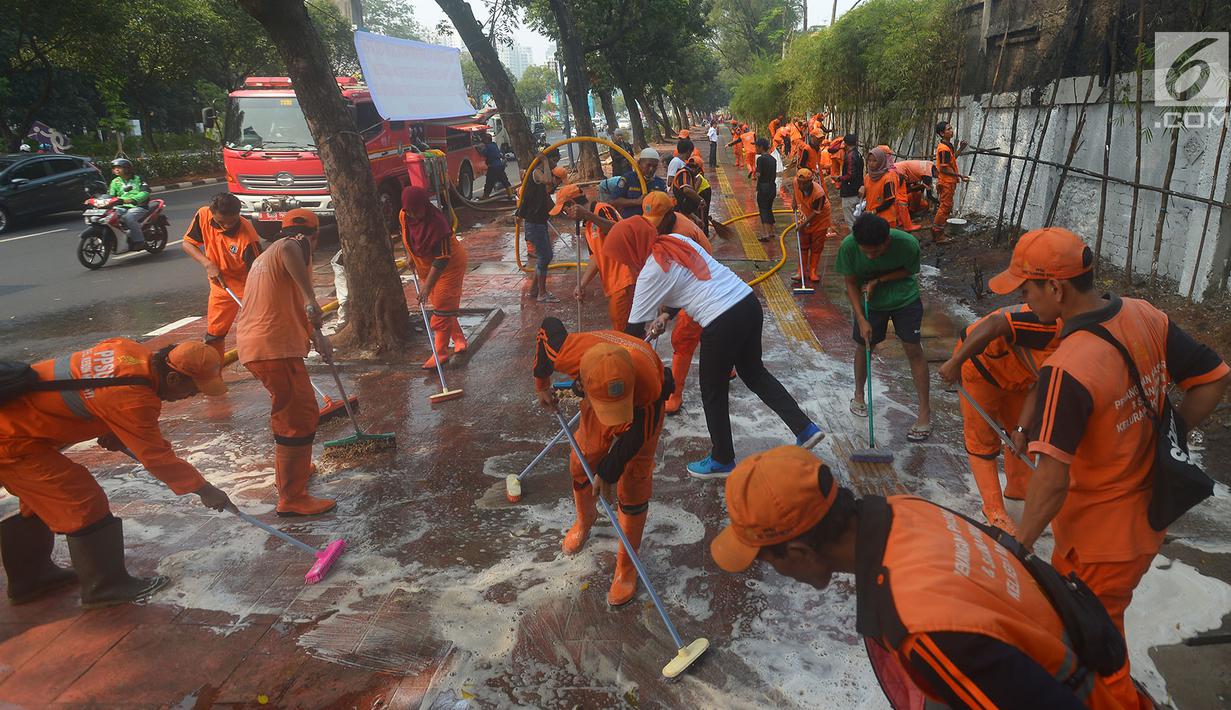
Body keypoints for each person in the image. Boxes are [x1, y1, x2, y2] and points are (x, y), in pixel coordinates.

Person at [989, 227, 1230, 709]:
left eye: (1027, 287)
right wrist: (1170, 432)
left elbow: (1052, 480)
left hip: (1098, 545)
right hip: (1144, 521)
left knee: (1094, 655)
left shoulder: (1067, 368)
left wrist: (1019, 544)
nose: (1022, 297)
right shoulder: (1144, 316)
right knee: (1090, 632)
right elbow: (1213, 377)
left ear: (1055, 288)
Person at [710, 445, 1131, 710]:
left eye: (766, 560)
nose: (771, 571)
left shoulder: (921, 625)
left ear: (799, 552)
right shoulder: (908, 509)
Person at [0, 339, 233, 607]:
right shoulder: (134, 399)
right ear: (172, 378)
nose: (190, 397)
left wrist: (110, 425)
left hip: (19, 426)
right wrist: (205, 490)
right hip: (10, 439)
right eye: (192, 391)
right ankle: (106, 587)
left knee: (39, 501)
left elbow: (91, 390)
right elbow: (156, 457)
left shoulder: (128, 351)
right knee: (82, 501)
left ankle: (31, 580)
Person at [603, 207, 824, 479]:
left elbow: (633, 333)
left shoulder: (651, 271)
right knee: (754, 373)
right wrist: (664, 315)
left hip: (721, 320)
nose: (625, 262)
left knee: (712, 389)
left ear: (630, 247)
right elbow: (690, 280)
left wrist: (607, 367)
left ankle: (722, 458)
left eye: (623, 257)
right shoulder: (675, 241)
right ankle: (805, 428)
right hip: (746, 304)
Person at [532, 320, 671, 606]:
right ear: (580, 381)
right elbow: (546, 328)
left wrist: (609, 471)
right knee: (581, 462)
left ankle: (626, 568)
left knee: (634, 483)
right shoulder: (570, 353)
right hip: (596, 405)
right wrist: (541, 384)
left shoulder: (648, 383)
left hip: (643, 414)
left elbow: (637, 435)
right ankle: (585, 520)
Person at [236, 209, 336, 517]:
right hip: (272, 348)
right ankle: (292, 496)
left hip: (262, 346)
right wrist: (311, 298)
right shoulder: (294, 245)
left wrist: (317, 335)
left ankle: (297, 471)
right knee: (298, 417)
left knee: (293, 413)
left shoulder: (266, 256)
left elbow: (287, 304)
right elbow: (295, 246)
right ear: (314, 236)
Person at [937, 304, 1062, 534]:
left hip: (1018, 376)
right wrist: (955, 363)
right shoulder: (1048, 322)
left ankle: (1019, 489)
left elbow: (1042, 382)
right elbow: (993, 325)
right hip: (979, 365)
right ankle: (994, 509)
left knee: (1022, 434)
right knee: (982, 439)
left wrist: (1023, 428)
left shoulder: (1079, 343)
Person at [836, 214, 932, 442]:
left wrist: (880, 280)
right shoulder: (848, 247)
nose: (870, 256)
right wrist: (861, 318)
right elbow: (850, 282)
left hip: (904, 298)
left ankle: (924, 412)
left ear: (887, 241)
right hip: (870, 302)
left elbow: (910, 270)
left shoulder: (907, 244)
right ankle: (859, 395)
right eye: (865, 252)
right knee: (864, 345)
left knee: (913, 348)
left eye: (876, 252)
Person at [640, 194, 712, 414]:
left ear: (669, 214)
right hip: (699, 278)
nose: (655, 228)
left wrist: (664, 313)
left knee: (682, 338)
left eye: (657, 222)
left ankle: (675, 396)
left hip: (702, 284)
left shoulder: (680, 236)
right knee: (713, 331)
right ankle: (727, 368)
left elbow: (679, 280)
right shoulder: (670, 224)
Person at [182, 193, 263, 359]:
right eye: (221, 222)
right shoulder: (203, 214)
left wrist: (257, 300)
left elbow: (260, 276)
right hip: (220, 287)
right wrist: (208, 264)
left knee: (262, 330)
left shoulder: (248, 238)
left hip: (247, 290)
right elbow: (188, 243)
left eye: (231, 221)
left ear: (238, 214)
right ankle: (214, 373)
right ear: (212, 214)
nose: (226, 226)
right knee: (214, 335)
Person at [401, 186, 469, 369]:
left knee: (442, 308)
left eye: (417, 211)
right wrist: (410, 255)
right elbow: (406, 235)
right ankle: (459, 338)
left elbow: (442, 259)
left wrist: (426, 287)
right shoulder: (404, 216)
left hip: (449, 266)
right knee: (442, 305)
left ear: (425, 205)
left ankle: (440, 353)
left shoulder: (438, 224)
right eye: (410, 211)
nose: (414, 215)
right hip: (426, 267)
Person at [569, 197, 635, 330]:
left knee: (623, 331)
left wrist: (588, 215)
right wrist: (582, 284)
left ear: (572, 205)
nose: (566, 216)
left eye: (565, 211)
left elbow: (618, 229)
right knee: (624, 326)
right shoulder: (587, 225)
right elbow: (596, 257)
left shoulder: (602, 209)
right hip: (613, 284)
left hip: (624, 279)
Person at [517, 149, 561, 302]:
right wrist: (544, 161)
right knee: (545, 256)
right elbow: (547, 180)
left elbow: (546, 194)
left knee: (544, 257)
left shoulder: (538, 173)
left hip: (538, 222)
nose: (556, 164)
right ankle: (542, 293)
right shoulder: (537, 172)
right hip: (534, 223)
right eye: (554, 160)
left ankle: (534, 290)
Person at [791, 168, 837, 286]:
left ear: (810, 181)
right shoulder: (796, 182)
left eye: (804, 183)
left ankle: (812, 271)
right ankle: (800, 271)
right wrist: (794, 201)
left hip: (820, 219)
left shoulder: (818, 194)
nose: (801, 185)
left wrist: (803, 225)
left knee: (816, 246)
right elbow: (795, 190)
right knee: (803, 244)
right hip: (805, 214)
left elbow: (816, 213)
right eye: (800, 182)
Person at [933, 121, 970, 244]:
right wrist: (960, 175)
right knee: (944, 207)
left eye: (951, 128)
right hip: (946, 182)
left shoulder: (948, 146)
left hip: (949, 181)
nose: (951, 130)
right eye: (948, 129)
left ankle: (938, 231)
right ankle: (938, 234)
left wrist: (961, 148)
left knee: (946, 206)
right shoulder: (943, 148)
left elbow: (952, 160)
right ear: (942, 133)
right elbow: (944, 168)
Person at [610, 148, 667, 219]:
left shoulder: (660, 183)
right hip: (630, 222)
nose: (651, 169)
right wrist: (636, 201)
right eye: (648, 165)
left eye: (654, 166)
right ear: (639, 163)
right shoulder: (628, 178)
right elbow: (614, 201)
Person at [107, 158, 150, 252]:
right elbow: (111, 196)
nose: (116, 170)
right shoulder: (115, 181)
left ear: (127, 168)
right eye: (114, 168)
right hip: (121, 206)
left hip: (139, 206)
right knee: (108, 217)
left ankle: (140, 241)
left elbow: (145, 192)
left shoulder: (139, 178)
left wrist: (133, 200)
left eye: (119, 167)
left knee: (129, 217)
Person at [861, 147, 901, 229]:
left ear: (881, 161)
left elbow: (890, 200)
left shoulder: (888, 178)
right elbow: (868, 194)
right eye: (869, 160)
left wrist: (875, 211)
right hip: (872, 216)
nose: (871, 163)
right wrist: (861, 191)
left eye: (874, 161)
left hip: (885, 219)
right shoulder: (868, 177)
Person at [754, 138, 780, 243]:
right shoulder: (773, 159)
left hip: (763, 187)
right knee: (769, 208)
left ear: (761, 147)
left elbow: (759, 174)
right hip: (772, 187)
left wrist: (756, 176)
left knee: (763, 209)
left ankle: (765, 234)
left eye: (756, 146)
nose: (755, 148)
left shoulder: (760, 159)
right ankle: (772, 231)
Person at [837, 134, 864, 232]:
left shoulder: (850, 156)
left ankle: (856, 243)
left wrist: (839, 178)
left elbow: (850, 175)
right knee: (858, 220)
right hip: (857, 192)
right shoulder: (859, 154)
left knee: (851, 222)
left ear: (845, 143)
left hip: (849, 193)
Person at [479, 132, 512, 199]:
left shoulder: (488, 147)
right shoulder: (494, 145)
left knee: (489, 182)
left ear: (487, 140)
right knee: (504, 180)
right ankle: (510, 194)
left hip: (493, 167)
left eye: (484, 140)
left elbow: (483, 153)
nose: (484, 141)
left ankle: (485, 196)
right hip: (499, 166)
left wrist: (478, 149)